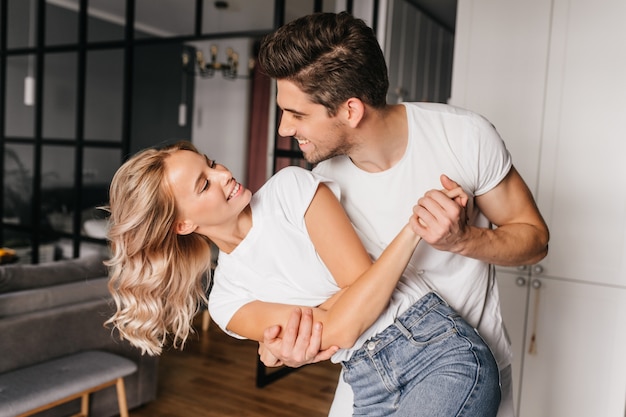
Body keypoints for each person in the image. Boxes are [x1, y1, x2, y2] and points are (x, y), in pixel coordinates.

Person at [256, 11, 549, 417]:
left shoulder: (463, 137)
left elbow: (535, 241)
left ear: (351, 110)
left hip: (469, 377)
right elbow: (318, 297)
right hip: (371, 377)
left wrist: (464, 239)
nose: (284, 129)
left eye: (297, 114)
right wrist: (279, 344)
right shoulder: (317, 189)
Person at [105, 140, 501, 416]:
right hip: (366, 381)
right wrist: (334, 314)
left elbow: (362, 293)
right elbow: (345, 326)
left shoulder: (289, 189)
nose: (223, 174)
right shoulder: (227, 299)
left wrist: (414, 228)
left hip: (435, 350)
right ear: (183, 224)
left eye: (210, 163)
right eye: (204, 183)